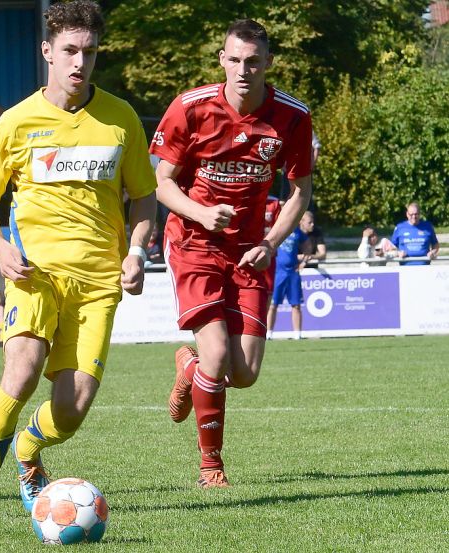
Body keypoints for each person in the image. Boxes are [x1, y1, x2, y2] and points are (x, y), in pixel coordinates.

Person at [0, 0, 157, 524]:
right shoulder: (16, 123)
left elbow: (145, 197)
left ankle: (27, 448)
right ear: (47, 51)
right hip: (33, 275)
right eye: (68, 50)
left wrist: (135, 252)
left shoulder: (121, 119)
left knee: (72, 409)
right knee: (19, 376)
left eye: (88, 52)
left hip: (97, 284)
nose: (78, 62)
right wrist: (0, 249)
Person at [151, 19, 313, 488]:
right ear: (222, 59)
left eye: (254, 61)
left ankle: (188, 365)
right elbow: (162, 184)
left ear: (268, 63)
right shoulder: (190, 108)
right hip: (194, 241)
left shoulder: (292, 117)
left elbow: (300, 192)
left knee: (244, 375)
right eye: (235, 60)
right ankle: (211, 466)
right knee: (218, 354)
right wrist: (201, 214)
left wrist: (269, 242)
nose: (244, 70)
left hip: (250, 251)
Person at [266, 224, 311, 340]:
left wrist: (304, 262)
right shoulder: (276, 228)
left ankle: (297, 334)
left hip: (292, 273)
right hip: (277, 272)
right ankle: (268, 333)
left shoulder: (297, 231)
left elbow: (307, 245)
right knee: (272, 305)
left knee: (296, 305)